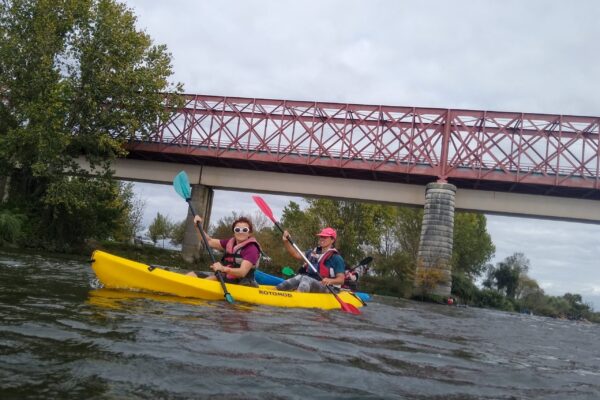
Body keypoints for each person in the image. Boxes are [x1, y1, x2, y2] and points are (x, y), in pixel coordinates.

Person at [186, 215, 261, 287]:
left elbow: (242, 272)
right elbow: (209, 241)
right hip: (225, 277)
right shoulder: (230, 243)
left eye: (245, 230)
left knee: (212, 279)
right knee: (192, 274)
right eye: (237, 229)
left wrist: (223, 268)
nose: (240, 232)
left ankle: (194, 288)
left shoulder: (252, 248)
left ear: (249, 233)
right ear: (234, 232)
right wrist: (198, 227)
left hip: (242, 283)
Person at [276, 227, 345, 293]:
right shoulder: (312, 252)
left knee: (306, 279)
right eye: (321, 236)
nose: (322, 239)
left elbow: (341, 280)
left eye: (325, 237)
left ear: (332, 240)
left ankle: (299, 299)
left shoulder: (336, 258)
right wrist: (286, 241)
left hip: (330, 288)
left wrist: (330, 280)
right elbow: (295, 254)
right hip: (311, 282)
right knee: (300, 277)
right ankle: (279, 290)